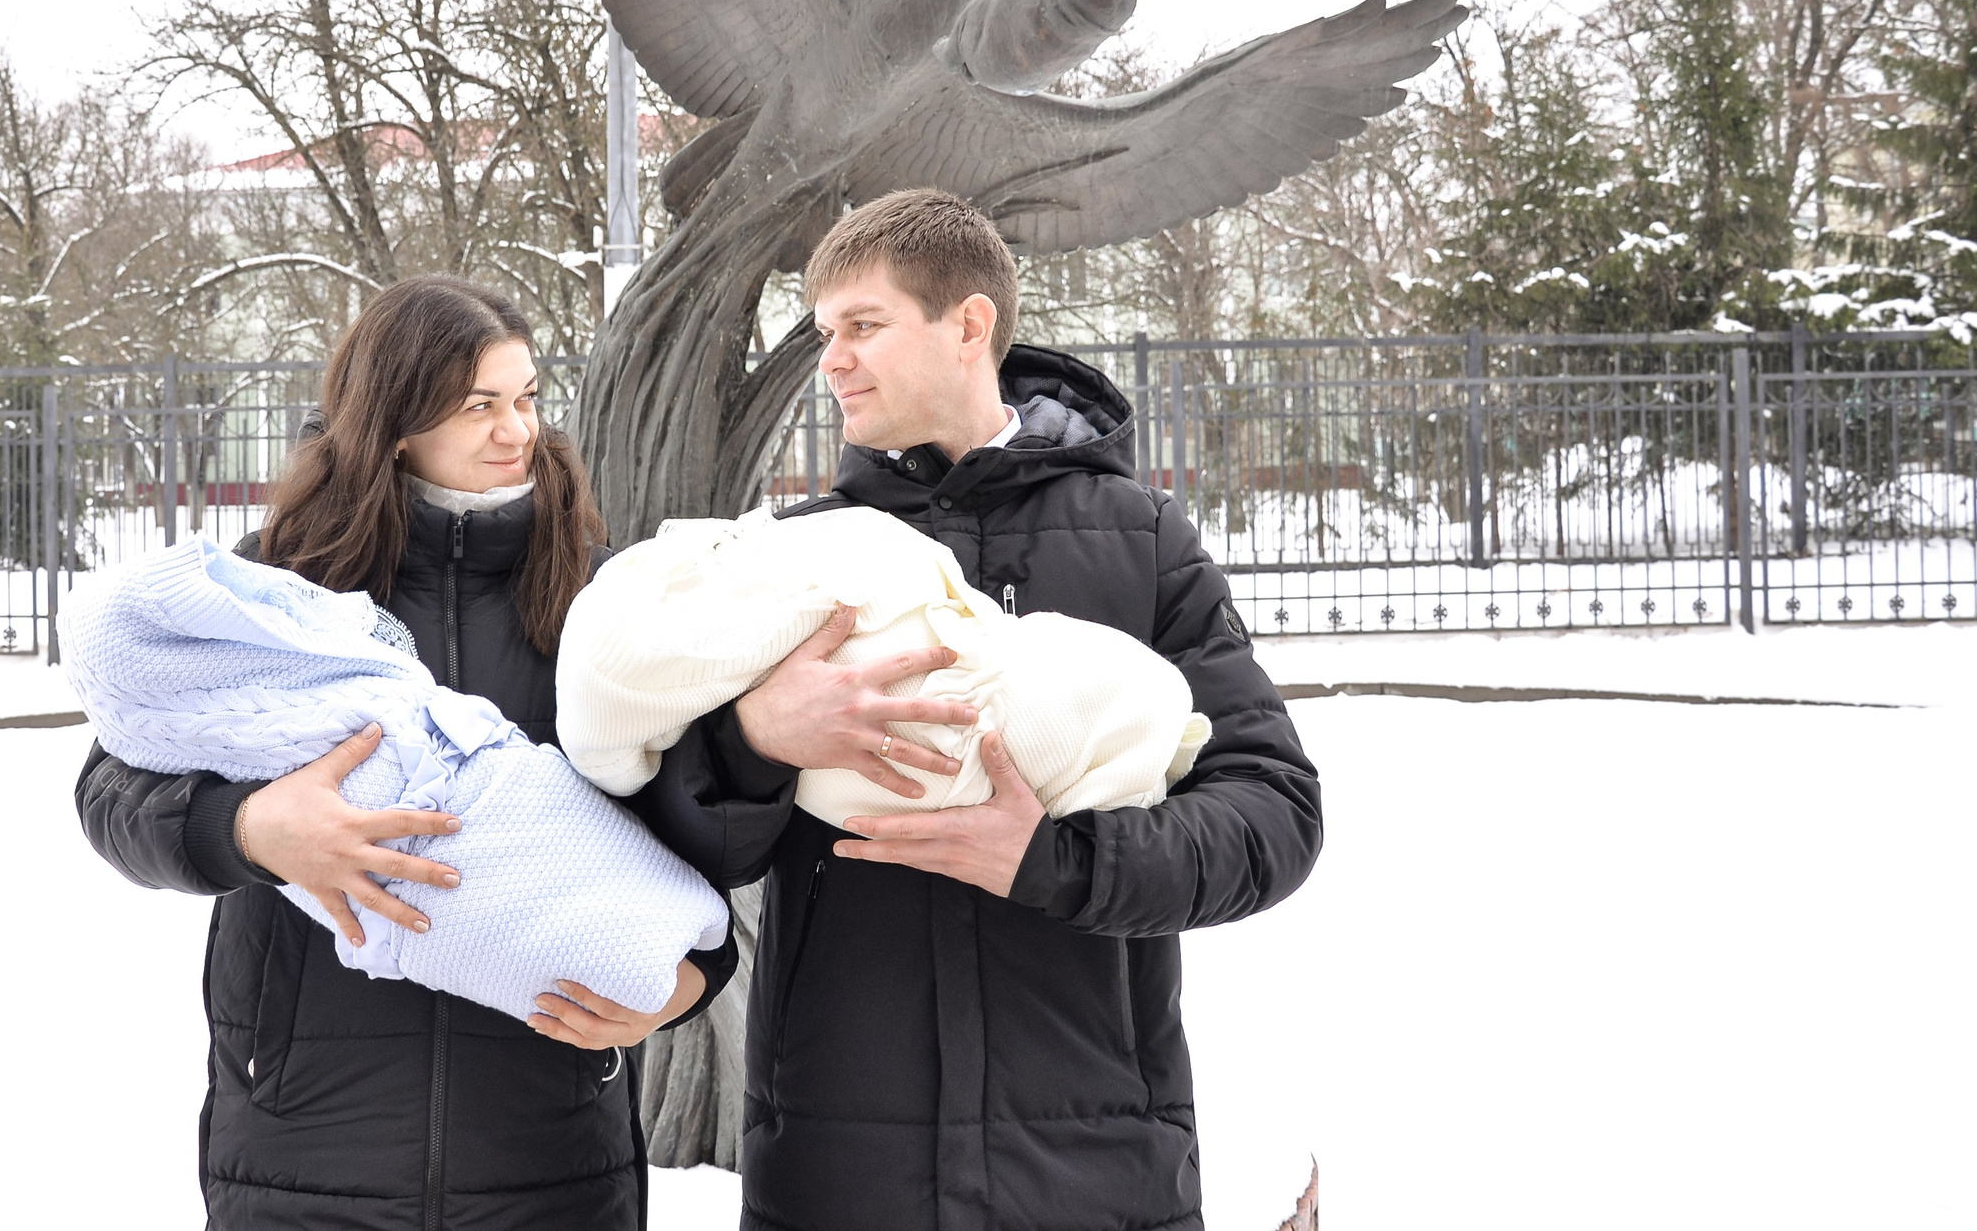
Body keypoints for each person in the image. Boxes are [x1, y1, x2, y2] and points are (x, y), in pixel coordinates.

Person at [627, 190, 1324, 1231]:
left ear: (967, 325)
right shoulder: (784, 559)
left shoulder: (1140, 543)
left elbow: (1273, 815)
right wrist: (757, 745)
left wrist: (1054, 858)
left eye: (862, 326)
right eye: (824, 334)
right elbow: (672, 840)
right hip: (838, 1178)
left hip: (1093, 1173)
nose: (832, 362)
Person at [73, 275, 734, 1230]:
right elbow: (110, 785)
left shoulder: (601, 596)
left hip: (547, 1141)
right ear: (391, 421)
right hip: (305, 1145)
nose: (520, 431)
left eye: (528, 398)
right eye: (480, 406)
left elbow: (703, 812)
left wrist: (689, 979)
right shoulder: (275, 586)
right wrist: (250, 828)